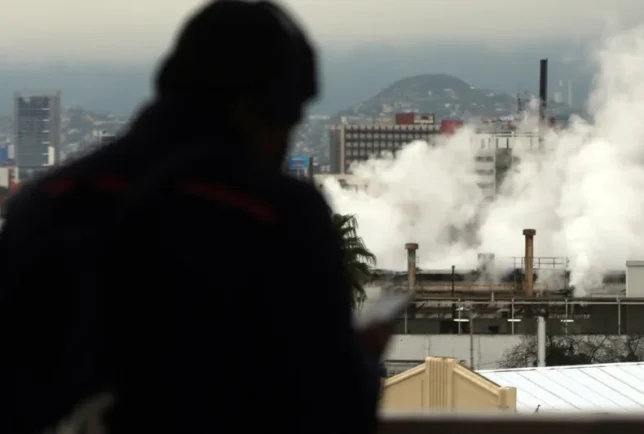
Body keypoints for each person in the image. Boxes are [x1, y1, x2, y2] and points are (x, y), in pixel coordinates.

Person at [1, 2, 388, 433]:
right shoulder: (274, 215)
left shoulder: (49, 200)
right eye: (290, 116)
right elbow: (336, 408)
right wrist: (365, 363)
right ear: (261, 107)